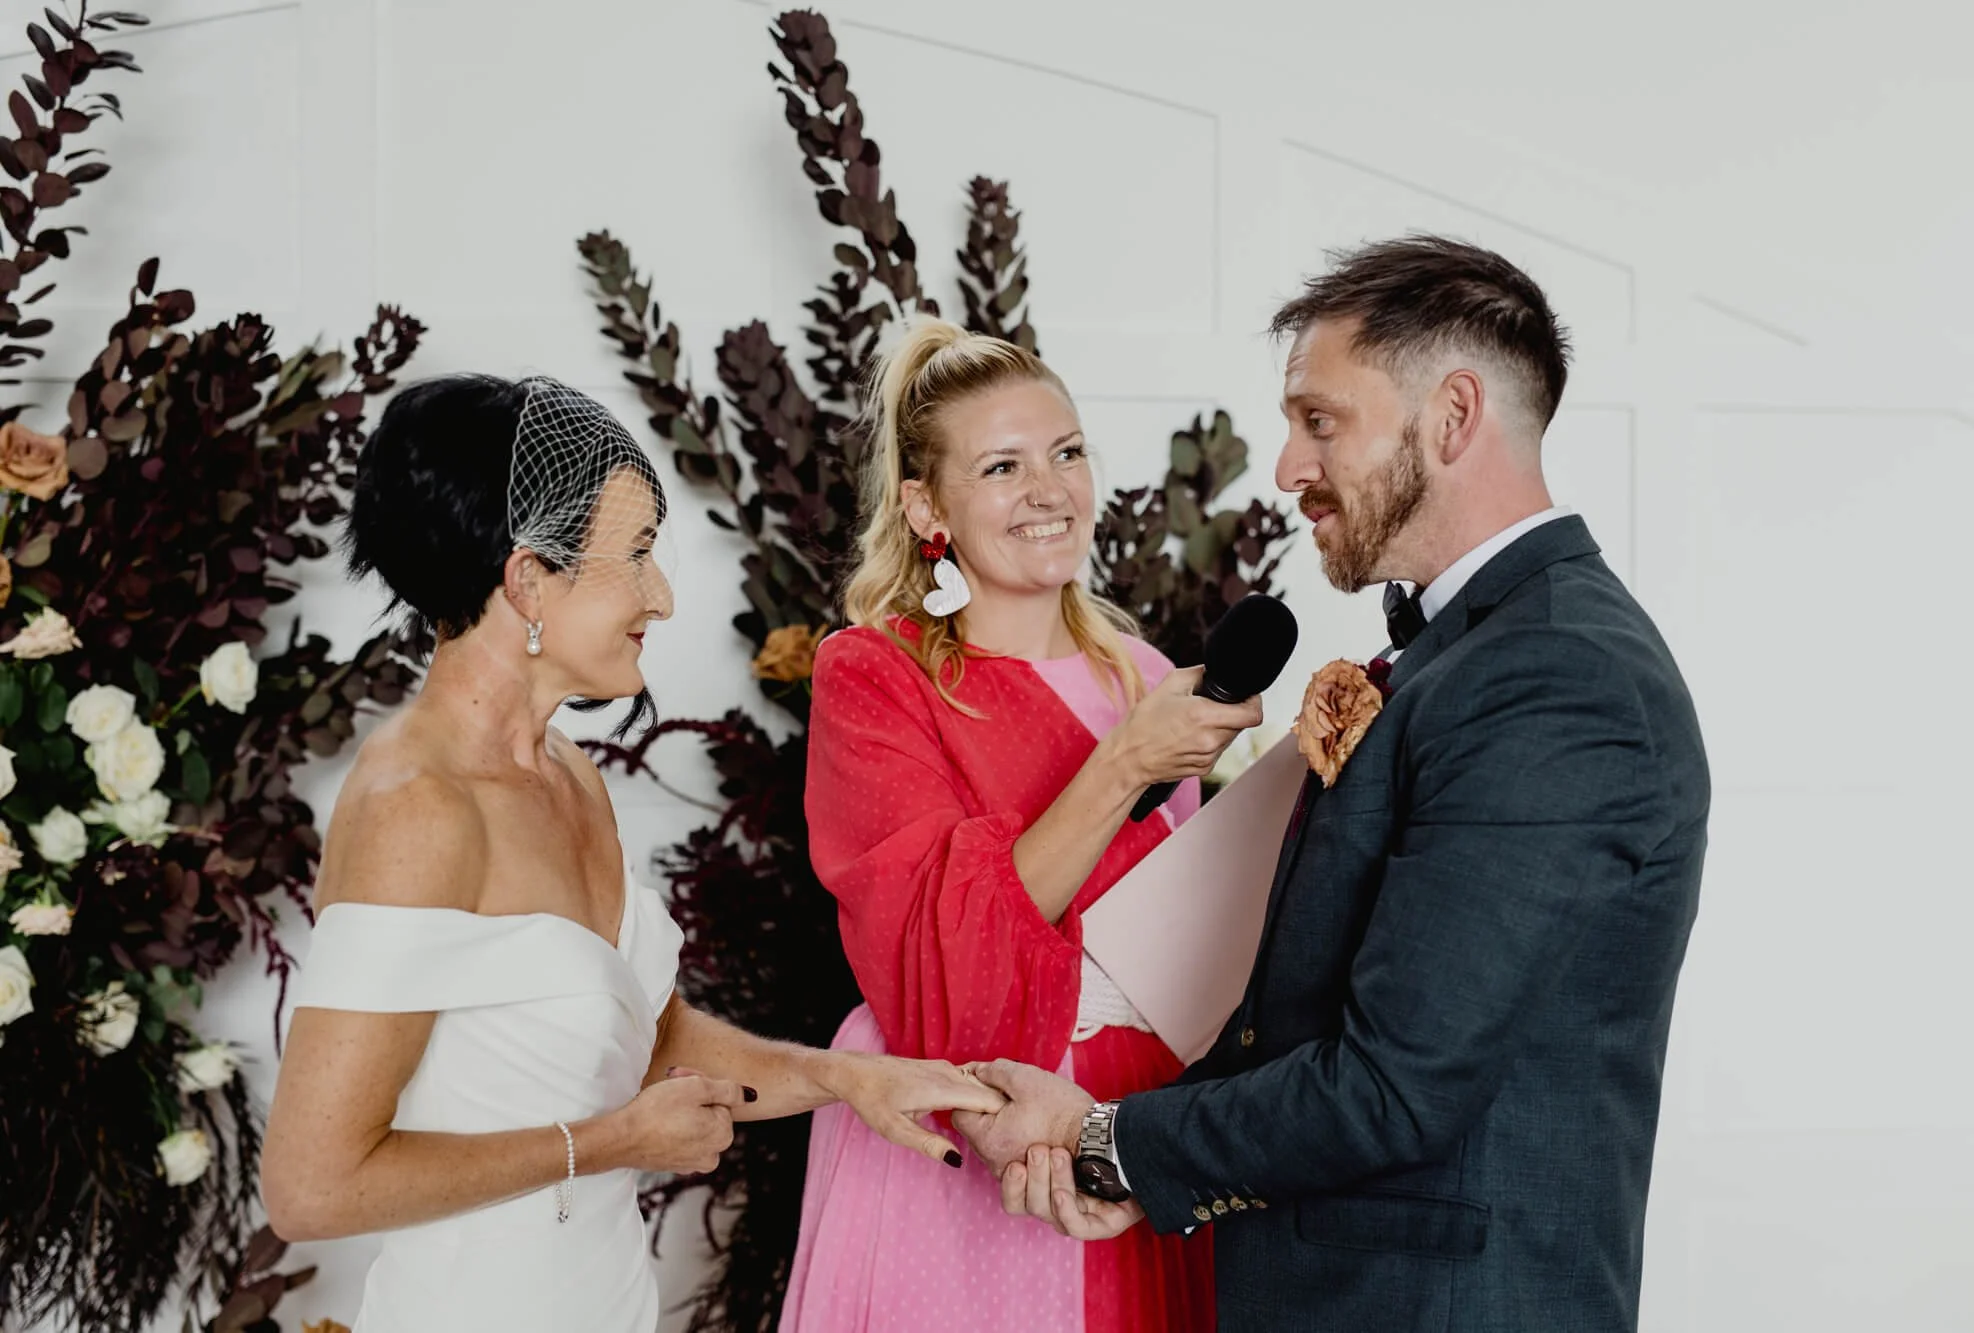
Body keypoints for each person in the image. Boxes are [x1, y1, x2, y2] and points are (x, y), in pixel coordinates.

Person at [956, 235, 1711, 1333]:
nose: (1286, 467)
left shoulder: (1554, 676)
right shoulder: (1473, 653)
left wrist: (1104, 1143)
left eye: (1319, 421)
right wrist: (1119, 1133)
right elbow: (1314, 1022)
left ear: (1451, 416)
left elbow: (1393, 1084)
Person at [259, 375, 1003, 1333]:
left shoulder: (568, 771)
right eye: (639, 554)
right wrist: (609, 1143)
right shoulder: (419, 810)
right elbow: (311, 1186)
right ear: (528, 578)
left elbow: (643, 1033)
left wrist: (848, 1079)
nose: (662, 595)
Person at [779, 319, 1261, 1332]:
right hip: (960, 1103)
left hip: (1126, 1115)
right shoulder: (876, 674)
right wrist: (1125, 759)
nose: (1049, 491)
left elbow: (1176, 939)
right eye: (1001, 466)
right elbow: (932, 957)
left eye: (1067, 452)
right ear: (926, 505)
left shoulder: (1140, 673)